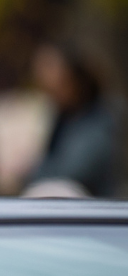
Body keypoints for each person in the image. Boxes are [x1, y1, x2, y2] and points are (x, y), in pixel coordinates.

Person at [25, 44, 120, 197]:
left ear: (73, 78)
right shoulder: (60, 119)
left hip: (92, 213)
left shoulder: (97, 123)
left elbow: (70, 174)